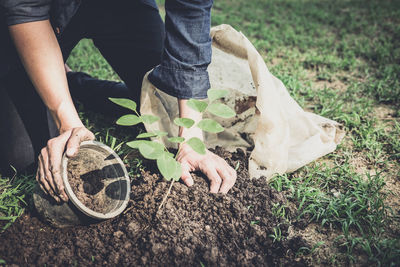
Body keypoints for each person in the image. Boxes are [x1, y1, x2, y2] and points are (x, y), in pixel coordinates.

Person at [0, 0, 237, 203]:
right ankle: (53, 83)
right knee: (21, 157)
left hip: (121, 6)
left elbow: (190, 10)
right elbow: (25, 8)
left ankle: (71, 81)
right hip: (42, 14)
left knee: (165, 104)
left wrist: (191, 140)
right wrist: (67, 120)